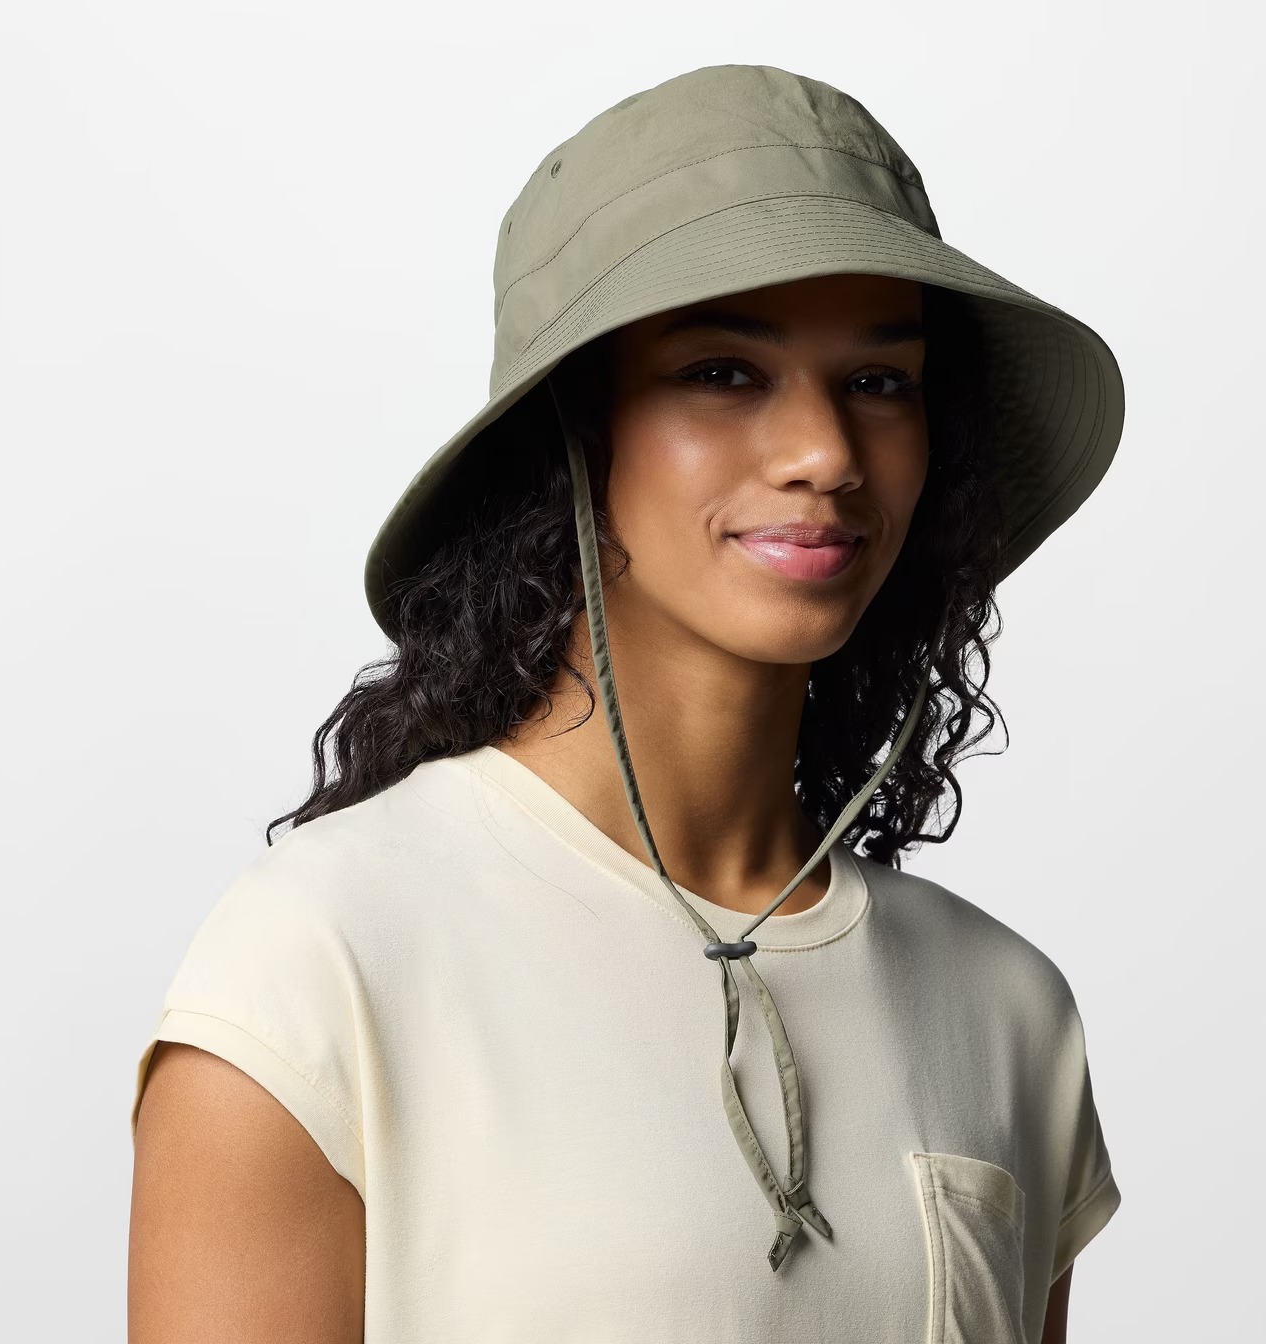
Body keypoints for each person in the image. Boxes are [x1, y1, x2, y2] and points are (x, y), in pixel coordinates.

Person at [128, 64, 1125, 1343]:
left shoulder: (1003, 1011)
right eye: (722, 371)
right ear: (571, 434)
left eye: (879, 381)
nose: (824, 452)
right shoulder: (324, 967)